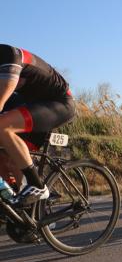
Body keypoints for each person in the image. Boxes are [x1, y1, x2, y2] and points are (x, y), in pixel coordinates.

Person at [0, 44, 76, 205]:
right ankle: (20, 207)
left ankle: (37, 185)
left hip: (58, 104)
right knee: (6, 158)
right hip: (31, 104)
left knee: (2, 126)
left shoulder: (7, 56)